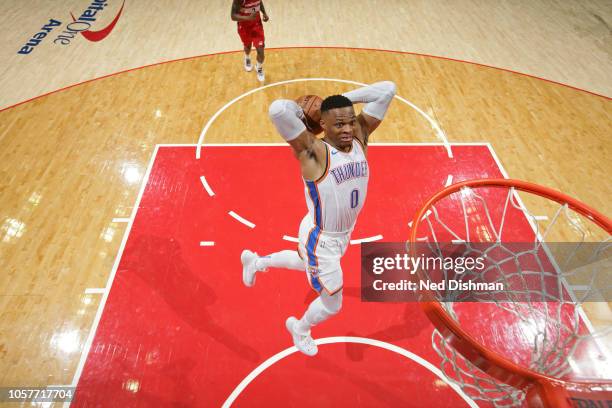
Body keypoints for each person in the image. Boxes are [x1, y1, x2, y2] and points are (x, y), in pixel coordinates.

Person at [241, 81, 397, 356]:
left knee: (303, 263)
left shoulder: (359, 136)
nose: (348, 129)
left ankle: (256, 261)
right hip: (322, 240)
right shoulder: (313, 152)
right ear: (323, 124)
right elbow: (278, 110)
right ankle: (299, 329)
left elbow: (388, 88)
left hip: (334, 232)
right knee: (332, 304)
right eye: (338, 124)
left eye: (350, 121)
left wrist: (337, 103)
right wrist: (314, 112)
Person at [231, 0, 269, 82]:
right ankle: (247, 58)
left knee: (261, 51)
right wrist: (249, 18)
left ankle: (259, 67)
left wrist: (264, 13)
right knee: (247, 46)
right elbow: (233, 16)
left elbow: (259, 2)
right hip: (244, 26)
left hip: (256, 25)